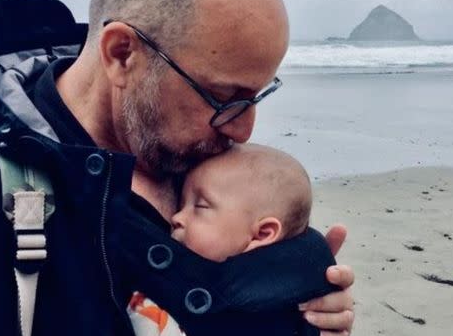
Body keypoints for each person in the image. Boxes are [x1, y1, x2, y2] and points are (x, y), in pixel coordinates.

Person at [0, 0, 354, 336]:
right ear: (122, 53)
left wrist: (298, 308)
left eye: (256, 96)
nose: (243, 131)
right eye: (223, 97)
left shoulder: (194, 152)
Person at [128, 143, 316, 336]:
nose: (177, 218)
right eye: (181, 204)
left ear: (262, 234)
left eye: (200, 206)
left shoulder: (285, 308)